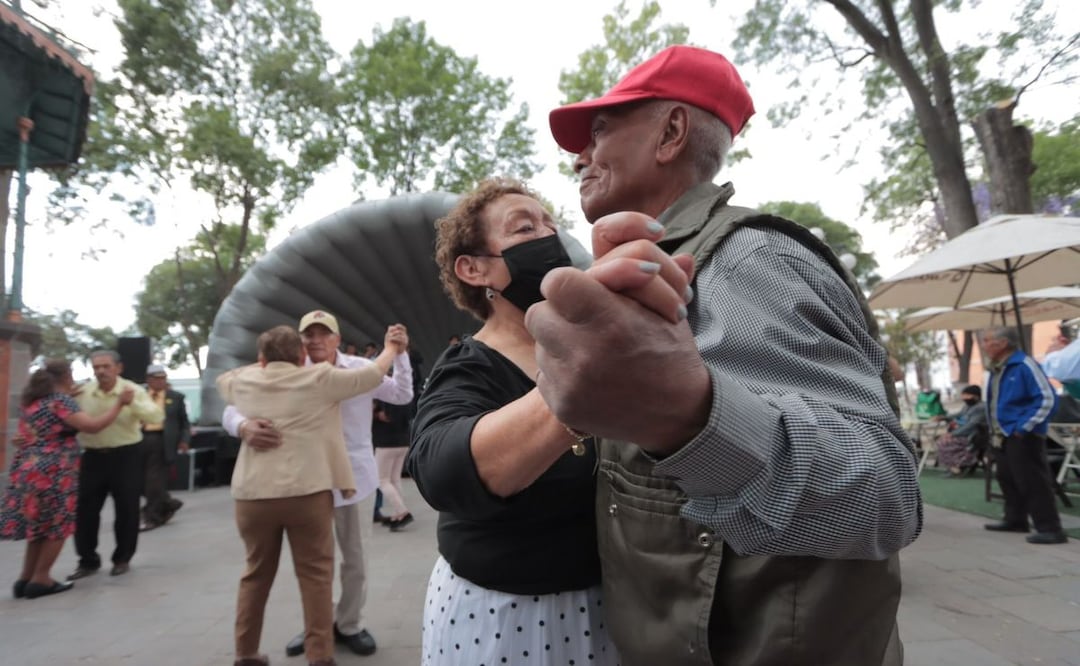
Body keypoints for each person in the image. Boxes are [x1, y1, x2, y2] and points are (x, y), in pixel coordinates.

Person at [527, 45, 922, 664]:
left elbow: (886, 499)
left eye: (600, 130)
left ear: (672, 133)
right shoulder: (640, 271)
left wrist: (688, 415)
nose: (579, 155)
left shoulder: (745, 260)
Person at [406, 178, 619, 666]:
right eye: (525, 229)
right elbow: (441, 469)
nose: (549, 239)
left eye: (551, 225)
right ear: (474, 268)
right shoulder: (469, 367)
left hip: (613, 607)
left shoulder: (588, 338)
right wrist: (581, 385)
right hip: (508, 620)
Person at [222, 311, 413, 659]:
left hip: (354, 478)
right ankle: (318, 632)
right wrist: (243, 427)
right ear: (298, 344)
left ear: (337, 340)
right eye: (308, 335)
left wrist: (399, 356)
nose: (315, 341)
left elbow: (401, 395)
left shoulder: (355, 367)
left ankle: (350, 623)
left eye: (324, 334)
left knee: (354, 559)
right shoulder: (284, 370)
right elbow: (234, 405)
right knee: (312, 569)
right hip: (308, 486)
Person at [1, 360, 133, 599]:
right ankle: (42, 579)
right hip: (54, 470)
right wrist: (119, 404)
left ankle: (25, 578)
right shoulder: (60, 402)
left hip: (28, 467)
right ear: (64, 377)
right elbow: (92, 426)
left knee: (39, 528)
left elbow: (28, 433)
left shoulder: (32, 402)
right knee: (58, 525)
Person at [69, 350, 163, 580]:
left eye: (106, 366)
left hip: (126, 455)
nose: (101, 371)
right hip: (92, 456)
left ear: (118, 368)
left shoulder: (132, 390)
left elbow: (156, 417)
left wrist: (133, 405)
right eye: (96, 367)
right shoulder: (82, 392)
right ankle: (87, 560)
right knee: (85, 511)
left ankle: (122, 559)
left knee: (127, 509)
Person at [981, 326, 1067, 544]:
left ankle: (1051, 528)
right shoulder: (997, 368)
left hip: (1022, 434)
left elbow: (1047, 398)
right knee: (1007, 477)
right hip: (1002, 434)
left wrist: (1024, 427)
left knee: (1033, 481)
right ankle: (1016, 519)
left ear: (1003, 343)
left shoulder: (1024, 365)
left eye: (988, 340)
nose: (984, 345)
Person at [139, 364, 191, 531]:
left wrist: (184, 440)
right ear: (148, 380)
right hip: (138, 439)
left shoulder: (175, 397)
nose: (161, 381)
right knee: (139, 481)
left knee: (154, 481)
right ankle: (168, 502)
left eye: (163, 378)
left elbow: (184, 423)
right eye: (156, 378)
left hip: (162, 441)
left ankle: (151, 517)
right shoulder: (138, 396)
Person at [372, 397, 413, 530]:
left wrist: (375, 412)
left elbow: (381, 413)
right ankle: (398, 513)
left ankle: (402, 511)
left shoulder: (382, 395)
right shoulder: (403, 393)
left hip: (385, 441)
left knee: (382, 480)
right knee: (394, 479)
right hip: (403, 439)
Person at [935, 385, 989, 476]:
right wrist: (943, 417)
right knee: (941, 440)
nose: (964, 398)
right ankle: (953, 465)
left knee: (944, 442)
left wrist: (953, 434)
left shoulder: (981, 408)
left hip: (975, 436)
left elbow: (971, 425)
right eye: (963, 395)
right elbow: (959, 414)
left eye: (967, 395)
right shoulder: (968, 406)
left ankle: (960, 465)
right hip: (964, 433)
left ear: (976, 396)